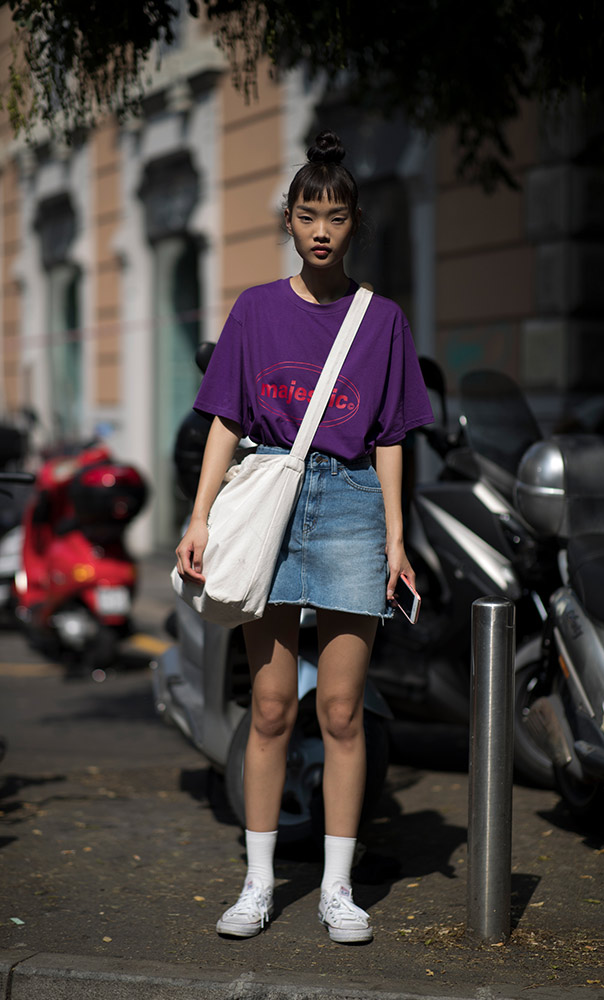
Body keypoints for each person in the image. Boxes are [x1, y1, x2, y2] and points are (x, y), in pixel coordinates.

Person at [175, 130, 433, 944]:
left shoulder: (382, 319)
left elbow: (392, 434)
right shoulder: (254, 309)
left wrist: (395, 538)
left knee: (345, 709)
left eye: (336, 215)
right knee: (272, 703)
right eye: (307, 214)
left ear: (354, 224)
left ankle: (336, 889)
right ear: (288, 221)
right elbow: (224, 419)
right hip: (271, 501)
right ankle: (256, 885)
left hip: (353, 505)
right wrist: (197, 515)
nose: (321, 229)